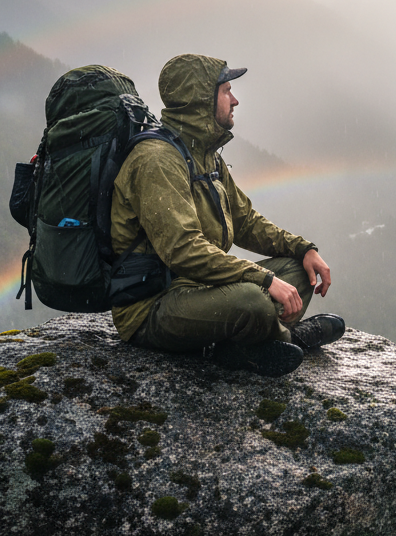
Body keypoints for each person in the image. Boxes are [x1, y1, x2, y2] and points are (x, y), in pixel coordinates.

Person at [109, 53, 344, 376]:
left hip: (199, 288)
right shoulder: (157, 160)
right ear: (201, 100)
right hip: (153, 306)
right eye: (226, 91)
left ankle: (248, 345)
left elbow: (245, 221)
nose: (234, 101)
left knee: (296, 270)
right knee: (253, 300)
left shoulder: (205, 155)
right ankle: (287, 338)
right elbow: (184, 249)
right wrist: (263, 279)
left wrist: (303, 248)